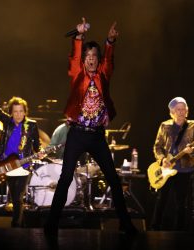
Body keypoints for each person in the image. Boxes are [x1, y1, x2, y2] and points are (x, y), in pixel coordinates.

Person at [44, 17, 138, 238]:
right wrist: (78, 37)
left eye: (95, 56)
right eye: (88, 56)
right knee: (65, 178)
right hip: (77, 134)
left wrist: (110, 41)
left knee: (114, 180)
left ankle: (125, 223)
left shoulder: (104, 74)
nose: (91, 60)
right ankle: (51, 224)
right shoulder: (78, 74)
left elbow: (110, 60)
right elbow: (74, 57)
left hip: (96, 136)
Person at [0, 76, 44, 227]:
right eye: (15, 111)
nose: (18, 114)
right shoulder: (7, 121)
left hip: (23, 166)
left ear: (25, 112)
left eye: (20, 111)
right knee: (14, 198)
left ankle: (15, 226)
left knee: (18, 197)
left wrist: (41, 151)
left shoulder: (31, 125)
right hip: (7, 164)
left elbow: (37, 144)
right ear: (11, 112)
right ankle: (20, 228)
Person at [150, 97, 194, 231]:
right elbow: (157, 146)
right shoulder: (164, 125)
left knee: (182, 204)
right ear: (172, 112)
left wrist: (192, 151)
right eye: (178, 109)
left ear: (187, 111)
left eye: (183, 109)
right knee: (161, 200)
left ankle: (180, 234)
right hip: (166, 169)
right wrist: (162, 159)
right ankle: (154, 229)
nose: (181, 112)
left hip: (185, 169)